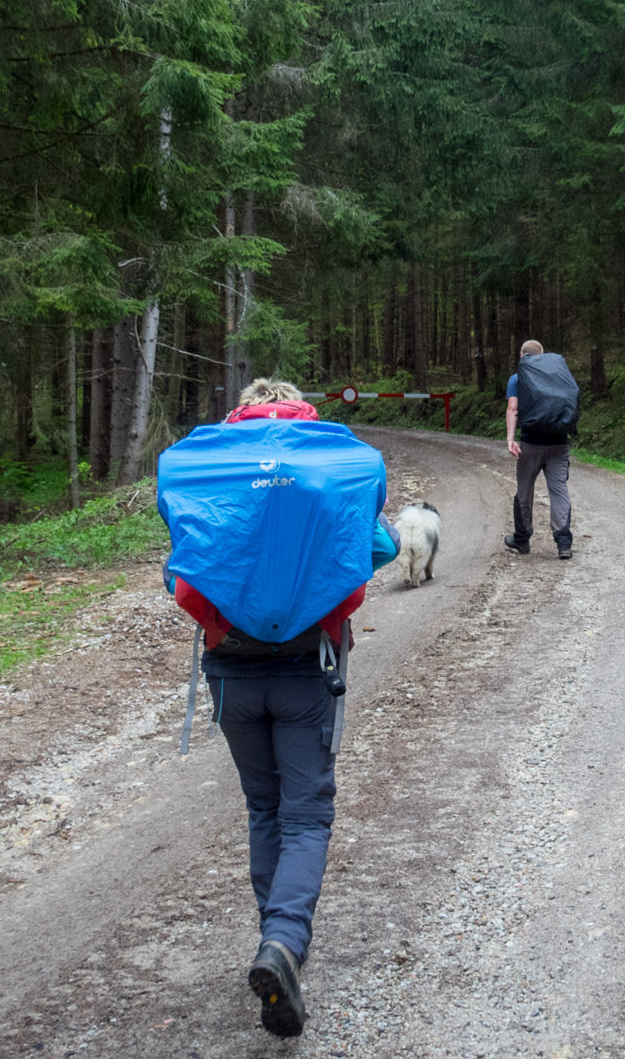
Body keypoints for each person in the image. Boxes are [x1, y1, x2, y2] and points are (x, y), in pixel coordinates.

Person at [167, 378, 398, 1037]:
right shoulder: (324, 473)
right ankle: (285, 945)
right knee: (306, 815)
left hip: (233, 678)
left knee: (265, 809)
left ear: (240, 414)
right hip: (305, 672)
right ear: (303, 414)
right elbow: (381, 547)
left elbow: (180, 575)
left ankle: (280, 947)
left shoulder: (221, 478)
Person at [505, 339, 575, 560]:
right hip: (559, 443)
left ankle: (522, 539)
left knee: (525, 489)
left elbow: (513, 407)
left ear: (522, 355)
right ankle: (564, 543)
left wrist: (510, 438)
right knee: (559, 491)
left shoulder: (518, 378)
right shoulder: (558, 376)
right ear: (543, 355)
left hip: (531, 443)